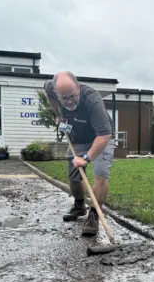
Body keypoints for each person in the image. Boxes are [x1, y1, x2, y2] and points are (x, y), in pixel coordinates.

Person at [43, 71, 115, 236]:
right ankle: (79, 205)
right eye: (64, 98)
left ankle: (94, 215)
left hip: (101, 136)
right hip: (78, 138)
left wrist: (87, 158)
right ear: (57, 94)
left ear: (79, 87)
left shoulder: (92, 101)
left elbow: (104, 134)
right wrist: (58, 115)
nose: (69, 101)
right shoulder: (51, 88)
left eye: (73, 96)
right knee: (74, 178)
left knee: (100, 175)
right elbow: (49, 95)